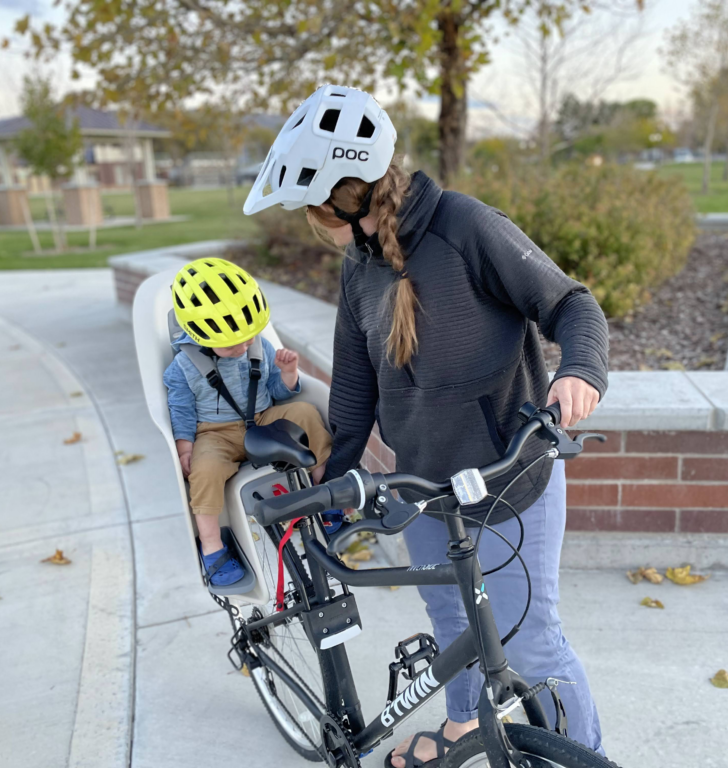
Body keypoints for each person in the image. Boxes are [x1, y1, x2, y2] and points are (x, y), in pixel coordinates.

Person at [243, 85, 609, 767]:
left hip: (508, 480)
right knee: (451, 622)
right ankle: (465, 725)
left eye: (311, 213)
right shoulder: (360, 269)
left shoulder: (465, 228)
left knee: (530, 641)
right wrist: (331, 485)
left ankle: (582, 755)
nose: (312, 227)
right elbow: (355, 393)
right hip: (424, 489)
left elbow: (572, 305)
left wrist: (580, 371)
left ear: (340, 202)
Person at [164, 257, 338, 587]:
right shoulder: (183, 368)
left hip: (262, 418)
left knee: (305, 413)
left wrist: (288, 374)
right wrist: (185, 449)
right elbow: (181, 411)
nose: (244, 346)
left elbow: (276, 391)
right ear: (201, 332)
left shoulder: (258, 346)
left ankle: (328, 491)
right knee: (205, 470)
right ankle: (212, 545)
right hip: (214, 433)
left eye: (248, 337)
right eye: (234, 343)